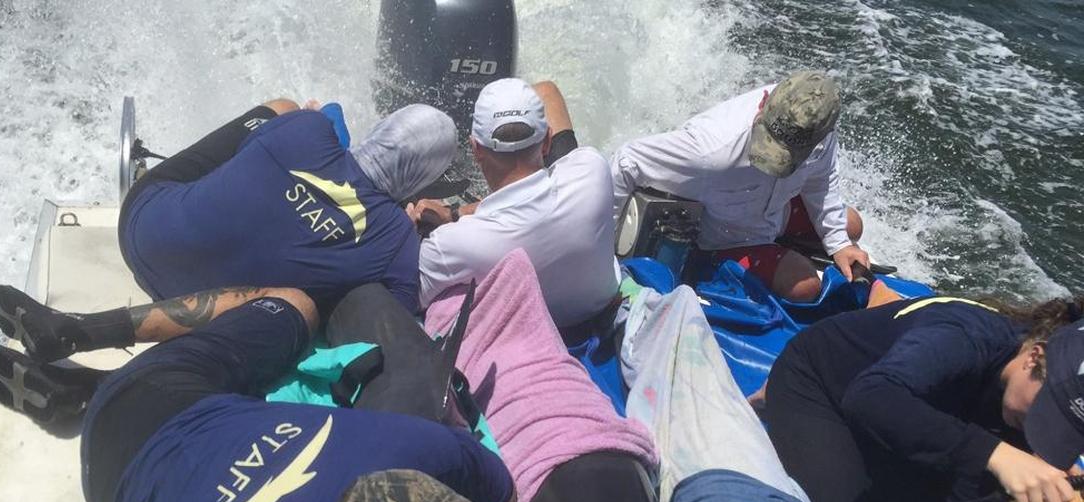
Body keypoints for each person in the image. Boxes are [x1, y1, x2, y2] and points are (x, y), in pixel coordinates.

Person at [0, 287, 522, 502]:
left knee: (293, 304)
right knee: (294, 305)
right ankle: (82, 378)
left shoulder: (416, 446)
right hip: (114, 484)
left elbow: (499, 496)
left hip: (174, 392)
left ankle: (85, 370)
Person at [760, 295, 1084, 502]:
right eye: (1045, 413)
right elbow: (870, 397)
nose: (1039, 432)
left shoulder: (1017, 401)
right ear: (1034, 356)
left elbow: (974, 484)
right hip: (826, 384)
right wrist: (995, 453)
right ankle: (773, 396)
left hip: (929, 407)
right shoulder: (964, 336)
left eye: (1061, 428)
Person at [119, 96, 456, 312]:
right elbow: (400, 308)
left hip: (140, 229)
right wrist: (406, 232)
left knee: (284, 106)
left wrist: (305, 132)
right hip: (194, 316)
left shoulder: (309, 128)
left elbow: (245, 154)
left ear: (384, 127)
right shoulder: (397, 239)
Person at [610, 70, 868, 302]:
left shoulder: (816, 126)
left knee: (851, 224)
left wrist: (838, 244)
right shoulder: (710, 150)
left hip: (774, 213)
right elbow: (627, 161)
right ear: (763, 103)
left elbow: (821, 180)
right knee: (805, 285)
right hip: (721, 239)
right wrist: (604, 252)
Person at [410, 78, 621, 329]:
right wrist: (455, 214)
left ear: (476, 149)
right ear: (546, 142)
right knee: (545, 90)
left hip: (529, 337)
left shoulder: (451, 245)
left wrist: (426, 222)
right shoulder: (591, 171)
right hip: (596, 314)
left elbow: (409, 298)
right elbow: (547, 92)